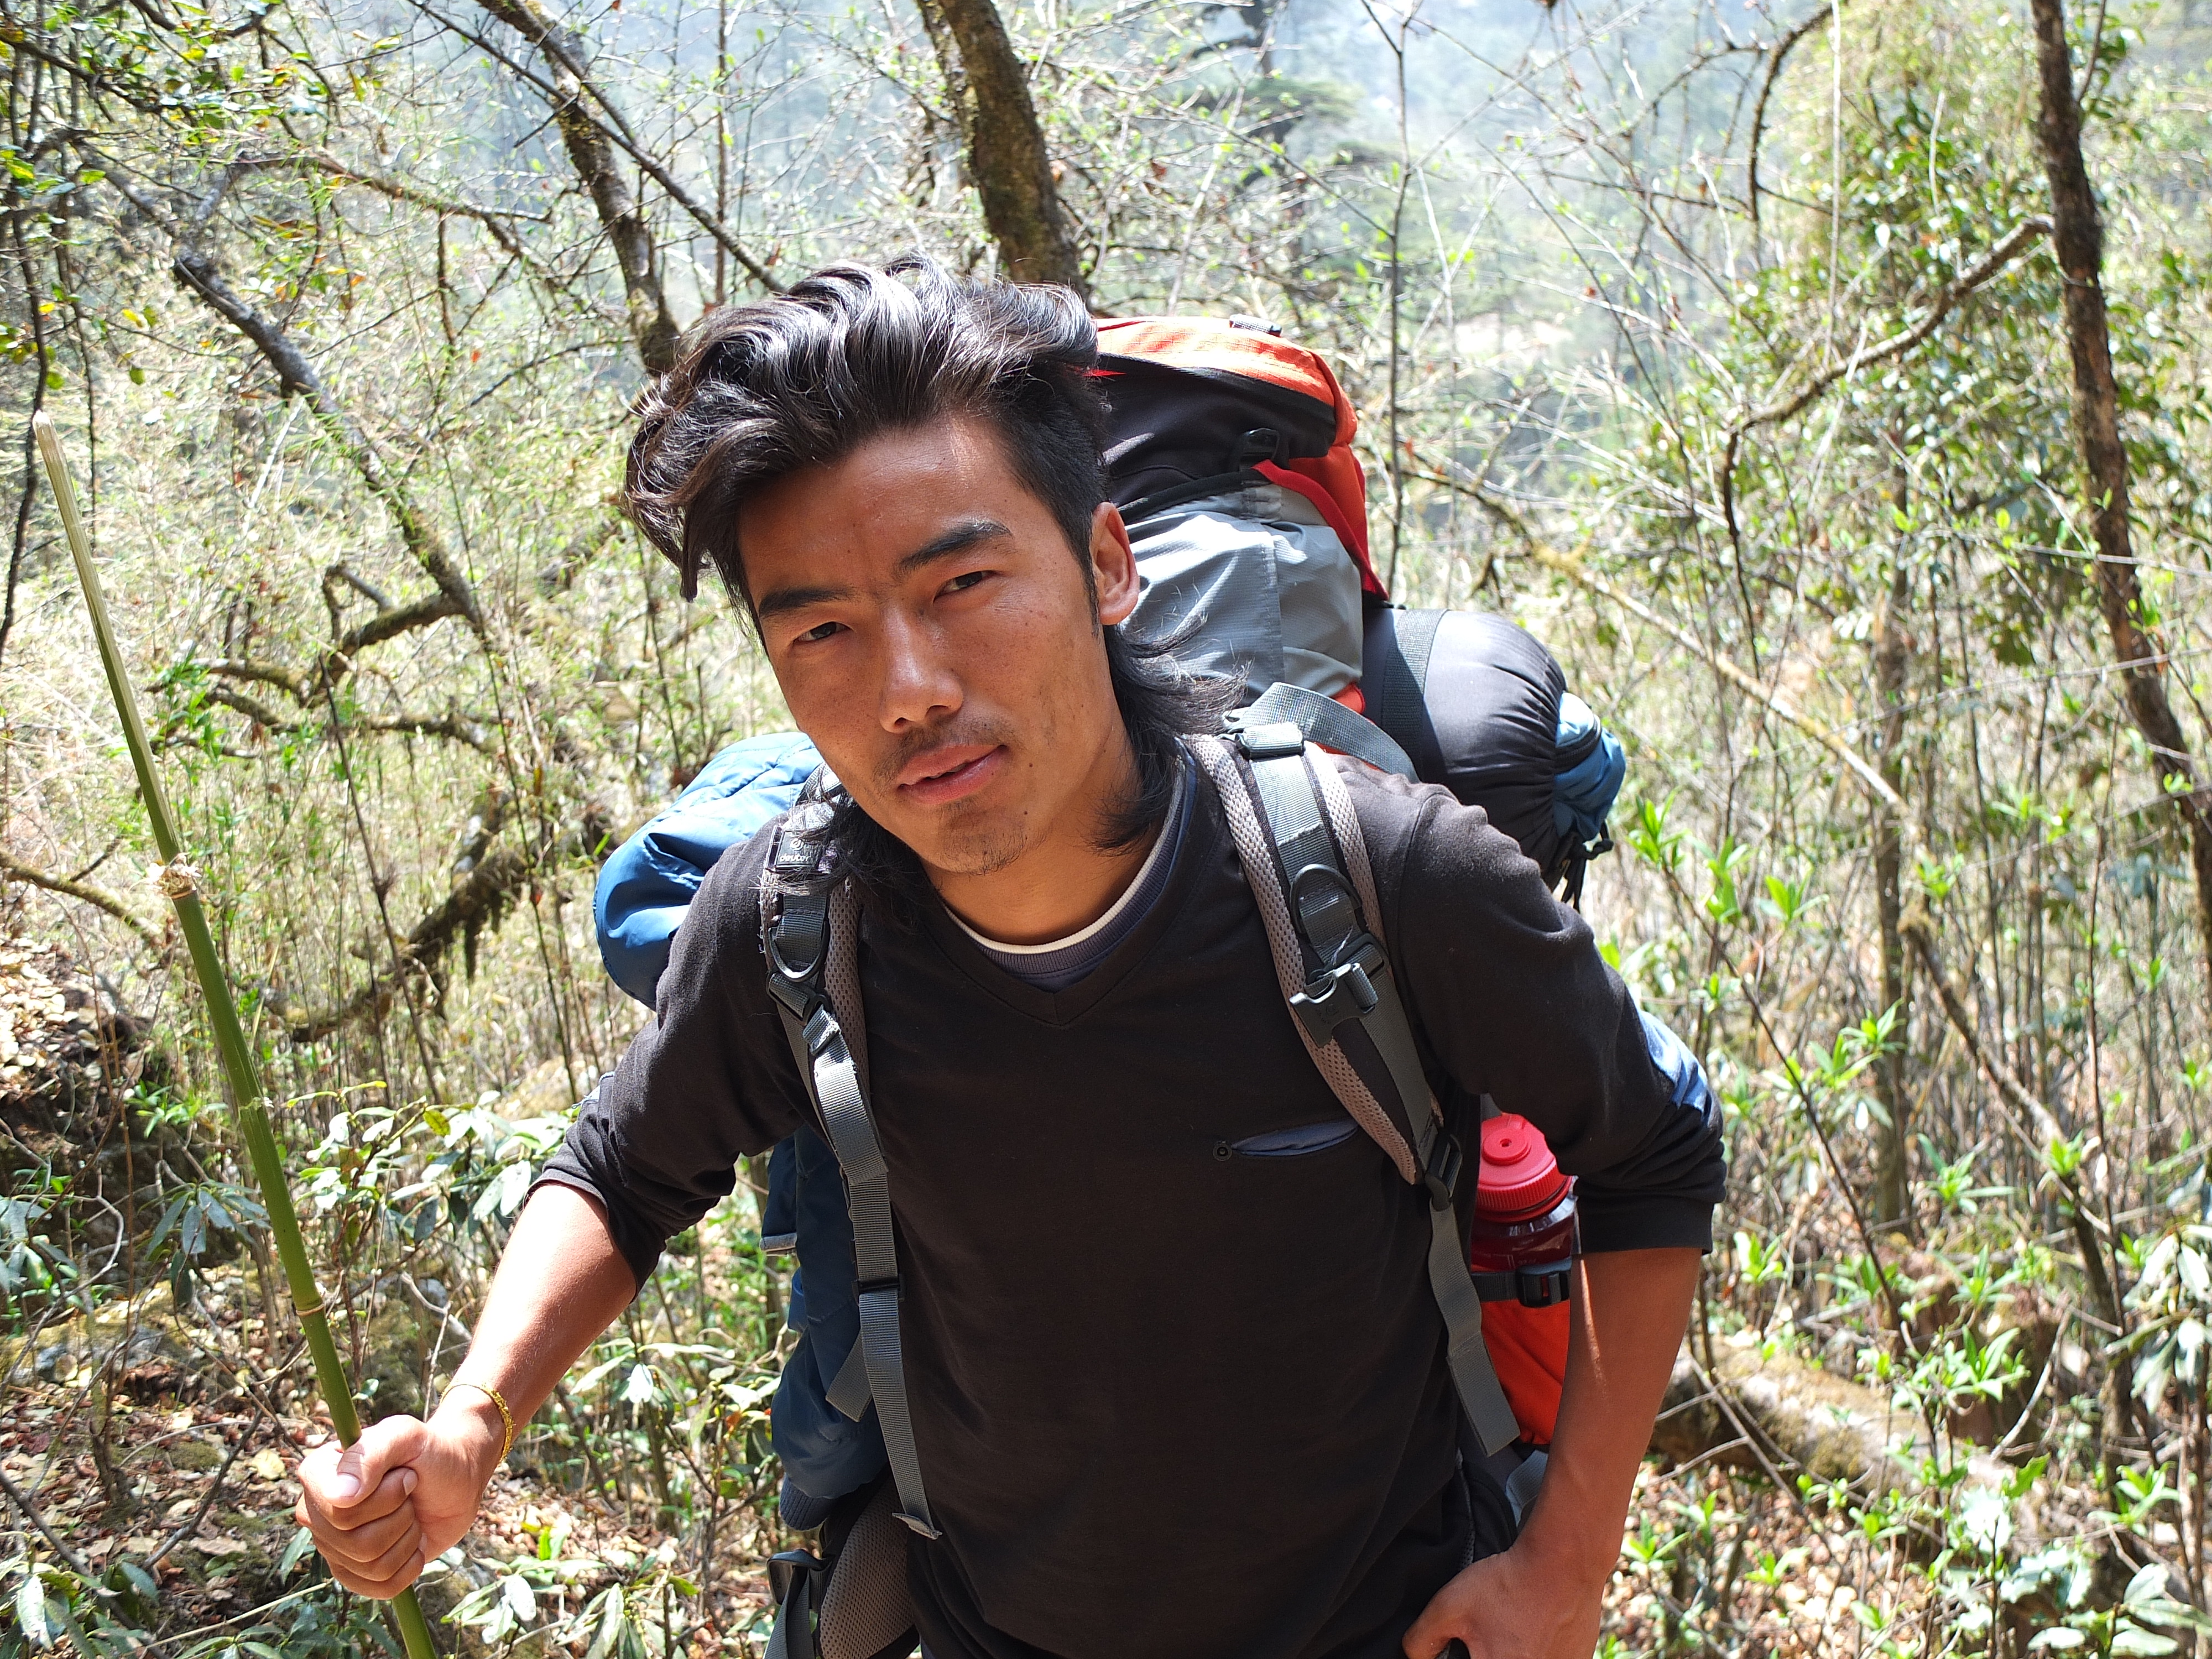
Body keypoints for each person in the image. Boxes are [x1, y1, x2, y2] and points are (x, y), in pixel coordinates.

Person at [293, 260, 1725, 1659]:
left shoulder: (1377, 877)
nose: (909, 690)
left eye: (964, 582)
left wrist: (1565, 1568)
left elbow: (1652, 1150)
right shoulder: (798, 924)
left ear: (1104, 563)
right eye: (824, 628)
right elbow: (621, 1169)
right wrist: (474, 1420)